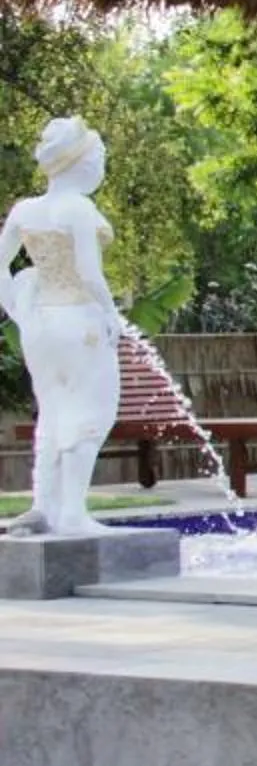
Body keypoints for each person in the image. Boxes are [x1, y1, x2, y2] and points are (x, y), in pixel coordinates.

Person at [0, 118, 125, 536]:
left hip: (40, 326)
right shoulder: (79, 209)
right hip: (81, 321)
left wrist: (15, 308)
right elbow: (89, 274)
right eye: (100, 157)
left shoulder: (24, 210)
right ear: (82, 163)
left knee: (52, 411)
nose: (102, 165)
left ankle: (44, 507)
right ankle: (73, 513)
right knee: (91, 409)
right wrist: (110, 313)